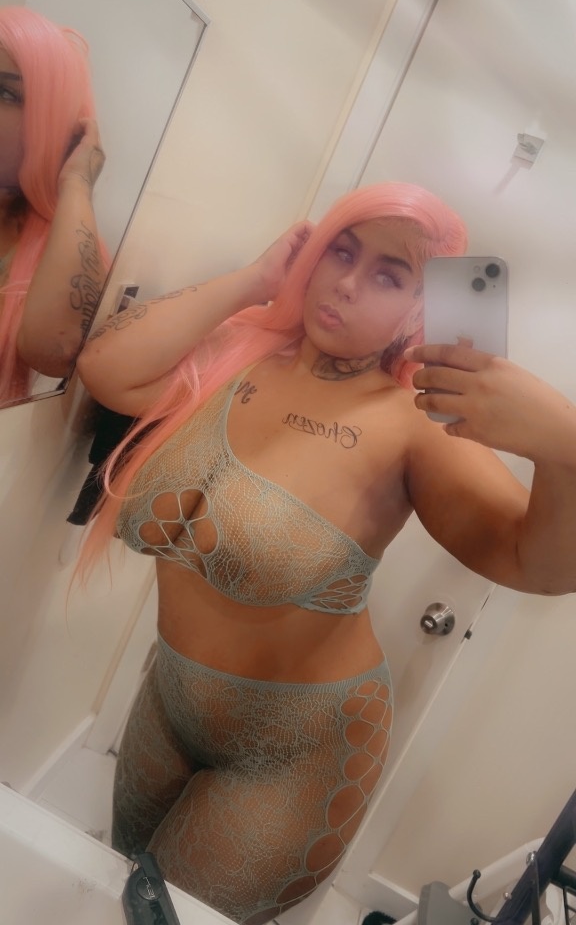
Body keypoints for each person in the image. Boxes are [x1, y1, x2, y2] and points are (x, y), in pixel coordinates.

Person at [76, 181, 576, 925]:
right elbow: (106, 368)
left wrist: (565, 447)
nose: (346, 282)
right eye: (340, 252)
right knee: (113, 890)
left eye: (388, 275)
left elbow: (539, 566)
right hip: (167, 703)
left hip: (298, 754)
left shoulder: (413, 423)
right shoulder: (238, 352)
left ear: (420, 307)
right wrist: (255, 280)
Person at [0, 5, 108, 405]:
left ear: (50, 125)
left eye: (5, 92)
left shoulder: (55, 247)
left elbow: (55, 350)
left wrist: (77, 184)